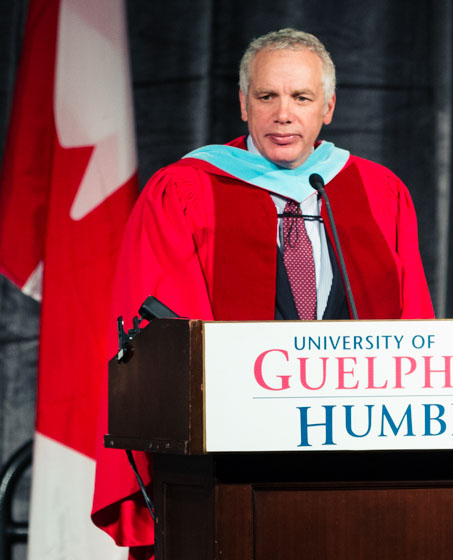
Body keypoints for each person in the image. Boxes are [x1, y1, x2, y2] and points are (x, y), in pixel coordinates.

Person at [90, 28, 434, 557]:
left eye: (301, 97)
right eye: (267, 96)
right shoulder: (185, 190)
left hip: (357, 457)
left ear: (328, 107)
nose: (283, 114)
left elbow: (415, 327)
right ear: (243, 105)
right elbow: (169, 333)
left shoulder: (377, 191)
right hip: (231, 464)